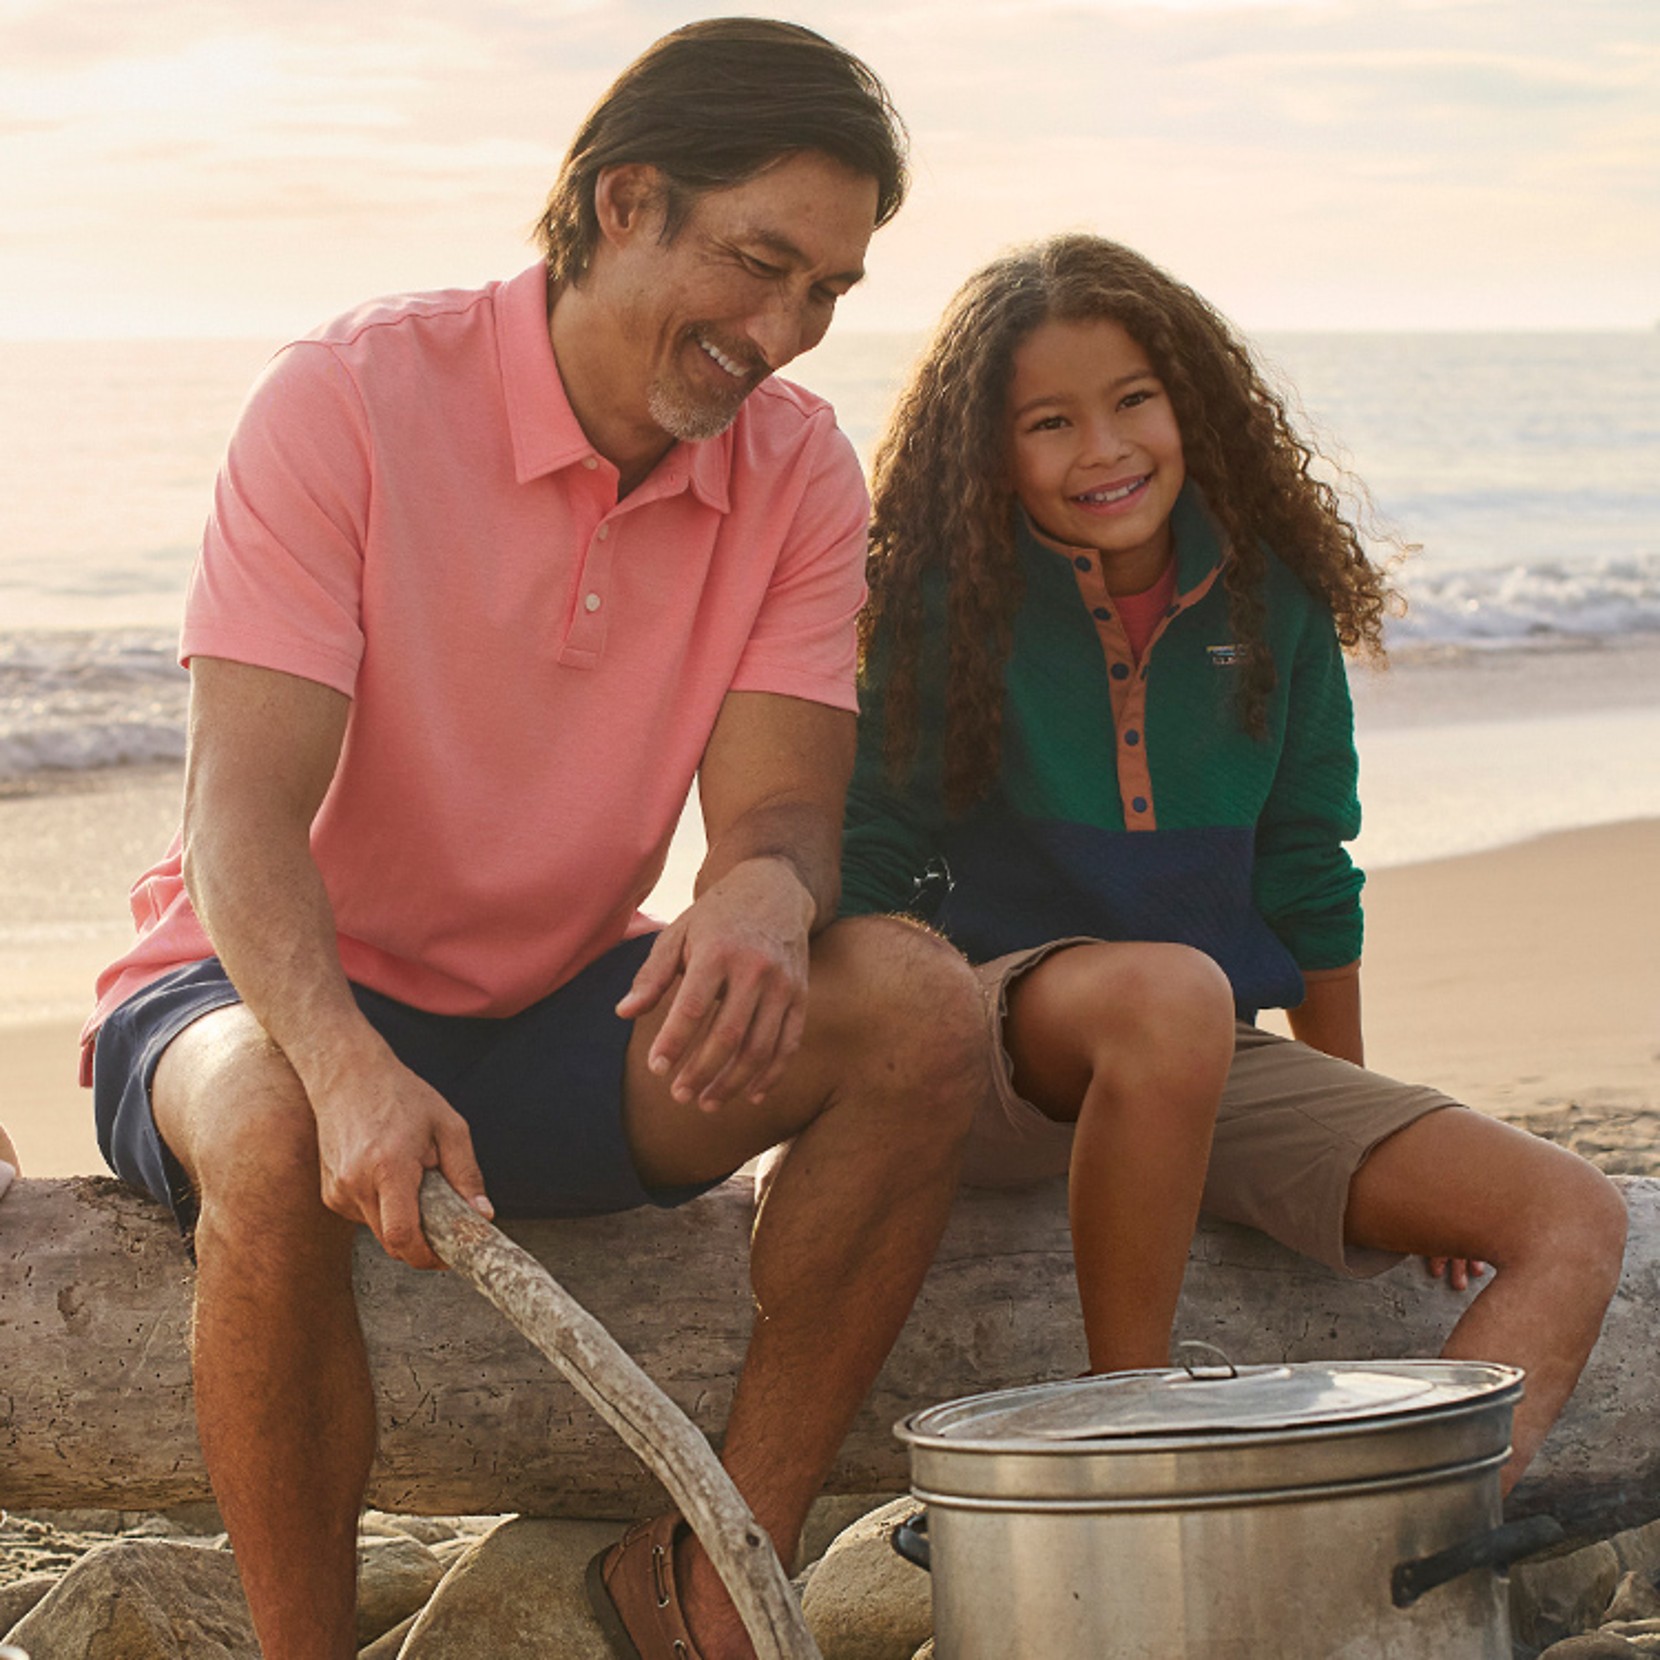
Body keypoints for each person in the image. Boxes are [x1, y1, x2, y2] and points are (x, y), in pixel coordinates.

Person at [80, 21, 987, 1660]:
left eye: (827, 294)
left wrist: (766, 897)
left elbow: (779, 810)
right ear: (625, 202)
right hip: (251, 994)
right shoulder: (349, 393)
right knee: (281, 1128)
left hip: (548, 1014)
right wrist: (352, 1070)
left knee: (919, 1007)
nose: (782, 334)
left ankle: (716, 1579)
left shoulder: (796, 471)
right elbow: (241, 813)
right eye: (760, 265)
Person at [840, 232, 1628, 1492]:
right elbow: (866, 861)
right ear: (990, 448)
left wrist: (1361, 1134)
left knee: (1572, 1215)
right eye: (1050, 422)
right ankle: (1127, 1434)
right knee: (1171, 992)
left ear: (1190, 401)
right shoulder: (940, 605)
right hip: (975, 1050)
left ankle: (1413, 1541)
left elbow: (1309, 867)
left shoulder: (1274, 602)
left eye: (1133, 401)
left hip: (1191, 1060)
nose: (1102, 449)